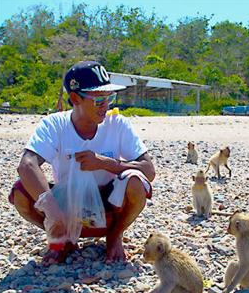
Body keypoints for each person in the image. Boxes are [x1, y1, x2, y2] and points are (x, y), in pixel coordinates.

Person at [8, 61, 155, 264]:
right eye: (99, 101)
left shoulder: (118, 124)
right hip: (68, 208)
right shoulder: (55, 124)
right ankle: (63, 238)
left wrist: (106, 163)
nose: (106, 106)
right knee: (20, 192)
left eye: (109, 98)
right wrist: (53, 212)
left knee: (136, 182)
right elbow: (27, 165)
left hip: (110, 206)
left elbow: (149, 170)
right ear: (76, 98)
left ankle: (115, 236)